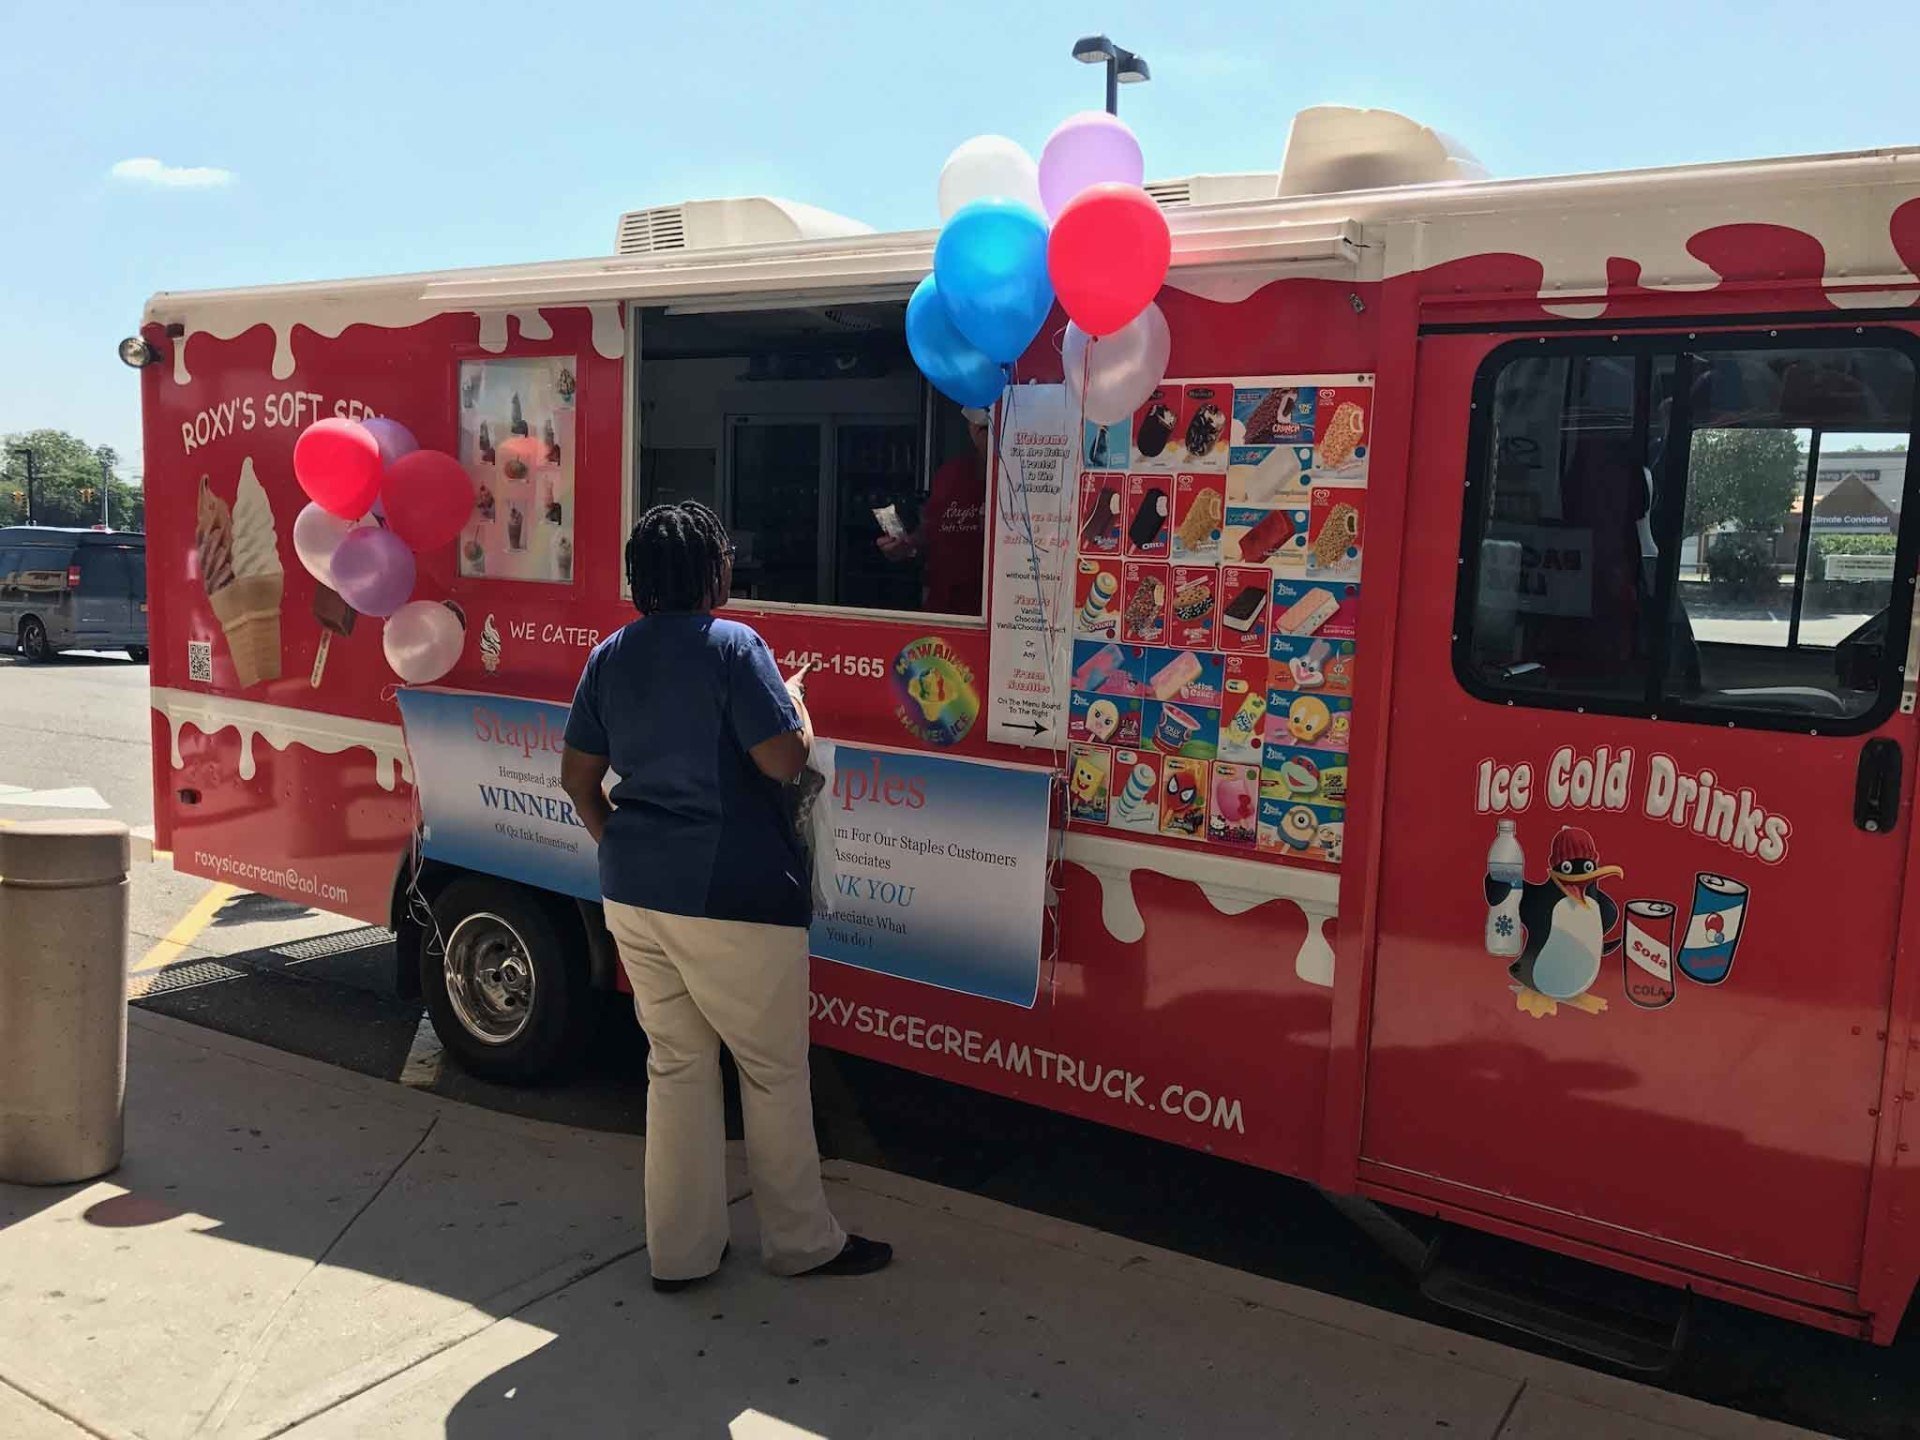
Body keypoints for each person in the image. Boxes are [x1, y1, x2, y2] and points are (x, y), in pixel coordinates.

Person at [559, 500, 891, 1293]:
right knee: (772, 1071)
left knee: (675, 1068)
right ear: (715, 572)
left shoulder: (609, 655)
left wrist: (624, 846)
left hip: (634, 892)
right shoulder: (735, 646)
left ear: (641, 577)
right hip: (733, 891)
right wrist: (798, 704)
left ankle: (681, 1254)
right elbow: (782, 761)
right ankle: (801, 1242)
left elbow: (577, 780)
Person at [876, 406, 988, 613]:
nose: (982, 428)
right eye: (977, 424)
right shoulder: (950, 473)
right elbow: (930, 531)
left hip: (995, 617)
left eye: (989, 427)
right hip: (941, 610)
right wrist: (904, 546)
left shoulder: (1025, 481)